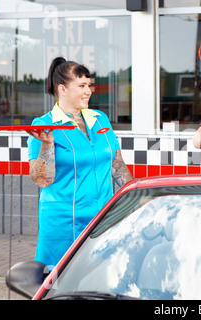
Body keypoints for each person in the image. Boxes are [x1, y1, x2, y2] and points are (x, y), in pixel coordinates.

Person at [27, 57, 133, 269]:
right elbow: (41, 179)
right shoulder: (43, 125)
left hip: (101, 219)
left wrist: (136, 197)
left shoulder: (99, 118)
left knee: (99, 279)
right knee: (62, 284)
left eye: (89, 85)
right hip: (63, 224)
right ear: (63, 89)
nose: (89, 91)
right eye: (82, 86)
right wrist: (47, 144)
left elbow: (117, 165)